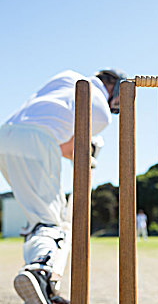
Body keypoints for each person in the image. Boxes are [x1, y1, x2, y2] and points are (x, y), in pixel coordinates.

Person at [0, 68, 126, 304]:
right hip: (38, 141)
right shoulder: (99, 110)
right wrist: (91, 152)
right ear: (114, 86)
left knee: (39, 218)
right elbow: (67, 149)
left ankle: (46, 287)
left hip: (5, 137)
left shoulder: (68, 77)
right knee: (52, 224)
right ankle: (39, 269)